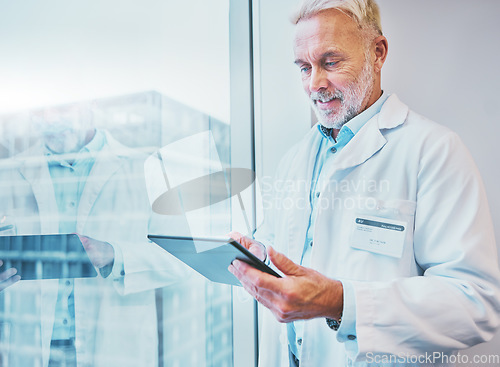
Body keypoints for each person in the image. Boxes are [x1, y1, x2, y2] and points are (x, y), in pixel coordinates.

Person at [228, 0, 500, 366]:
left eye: (331, 62)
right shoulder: (295, 159)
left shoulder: (433, 151)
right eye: (304, 67)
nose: (315, 84)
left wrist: (341, 302)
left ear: (378, 52)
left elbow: (475, 302)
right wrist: (258, 257)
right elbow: (290, 253)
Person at [0, 103, 186, 367]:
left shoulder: (146, 167)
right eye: (40, 112)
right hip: (32, 348)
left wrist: (113, 255)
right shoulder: (9, 174)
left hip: (113, 347)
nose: (49, 119)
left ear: (87, 105)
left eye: (60, 109)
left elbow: (183, 259)